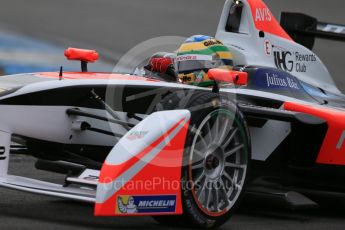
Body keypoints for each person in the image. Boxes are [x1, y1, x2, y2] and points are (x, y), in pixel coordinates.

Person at [144, 35, 234, 85]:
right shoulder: (183, 79)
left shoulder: (233, 96)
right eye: (182, 64)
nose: (185, 72)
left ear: (215, 65)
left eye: (192, 64)